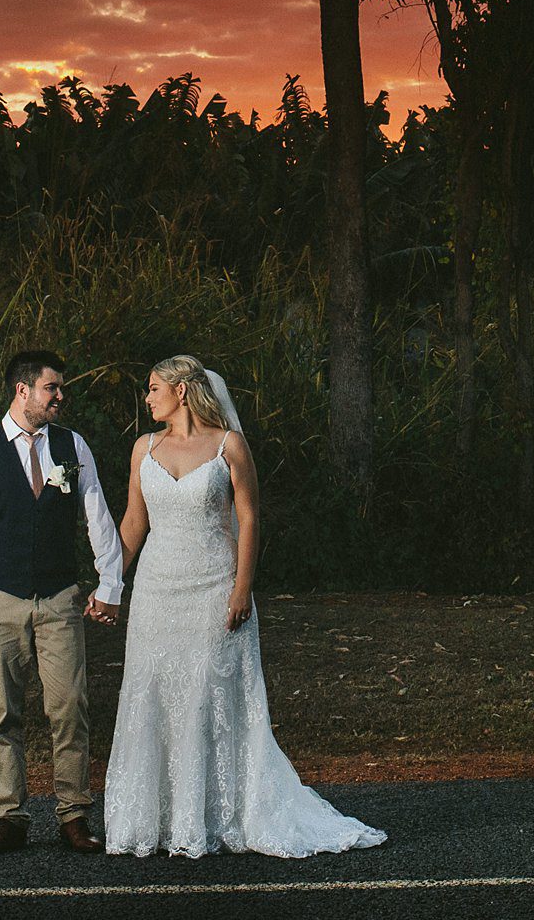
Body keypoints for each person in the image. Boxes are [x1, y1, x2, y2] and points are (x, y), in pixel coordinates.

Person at [102, 353, 386, 858]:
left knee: (208, 696)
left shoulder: (228, 445)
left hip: (214, 586)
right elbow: (133, 522)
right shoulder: (143, 448)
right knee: (155, 694)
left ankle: (216, 814)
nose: (147, 398)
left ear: (181, 391)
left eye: (153, 388)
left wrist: (241, 589)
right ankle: (161, 818)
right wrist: (108, 583)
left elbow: (249, 518)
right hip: (156, 592)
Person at [0, 348, 125, 855]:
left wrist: (110, 585)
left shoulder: (72, 444)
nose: (60, 396)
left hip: (60, 599)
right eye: (51, 388)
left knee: (70, 708)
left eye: (60, 388)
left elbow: (98, 517)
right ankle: (9, 817)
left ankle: (74, 814)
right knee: (3, 713)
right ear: (23, 390)